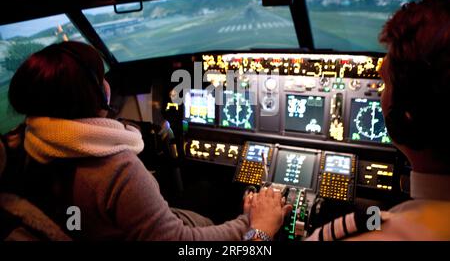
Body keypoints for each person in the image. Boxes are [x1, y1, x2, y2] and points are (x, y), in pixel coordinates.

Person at [6, 41, 289, 241]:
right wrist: (252, 224)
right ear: (94, 93)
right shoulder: (116, 169)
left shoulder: (26, 144)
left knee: (203, 191)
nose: (108, 83)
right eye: (101, 77)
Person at [307, 0, 450, 241]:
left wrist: (259, 229)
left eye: (384, 84)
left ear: (406, 117)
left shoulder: (371, 232)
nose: (380, 97)